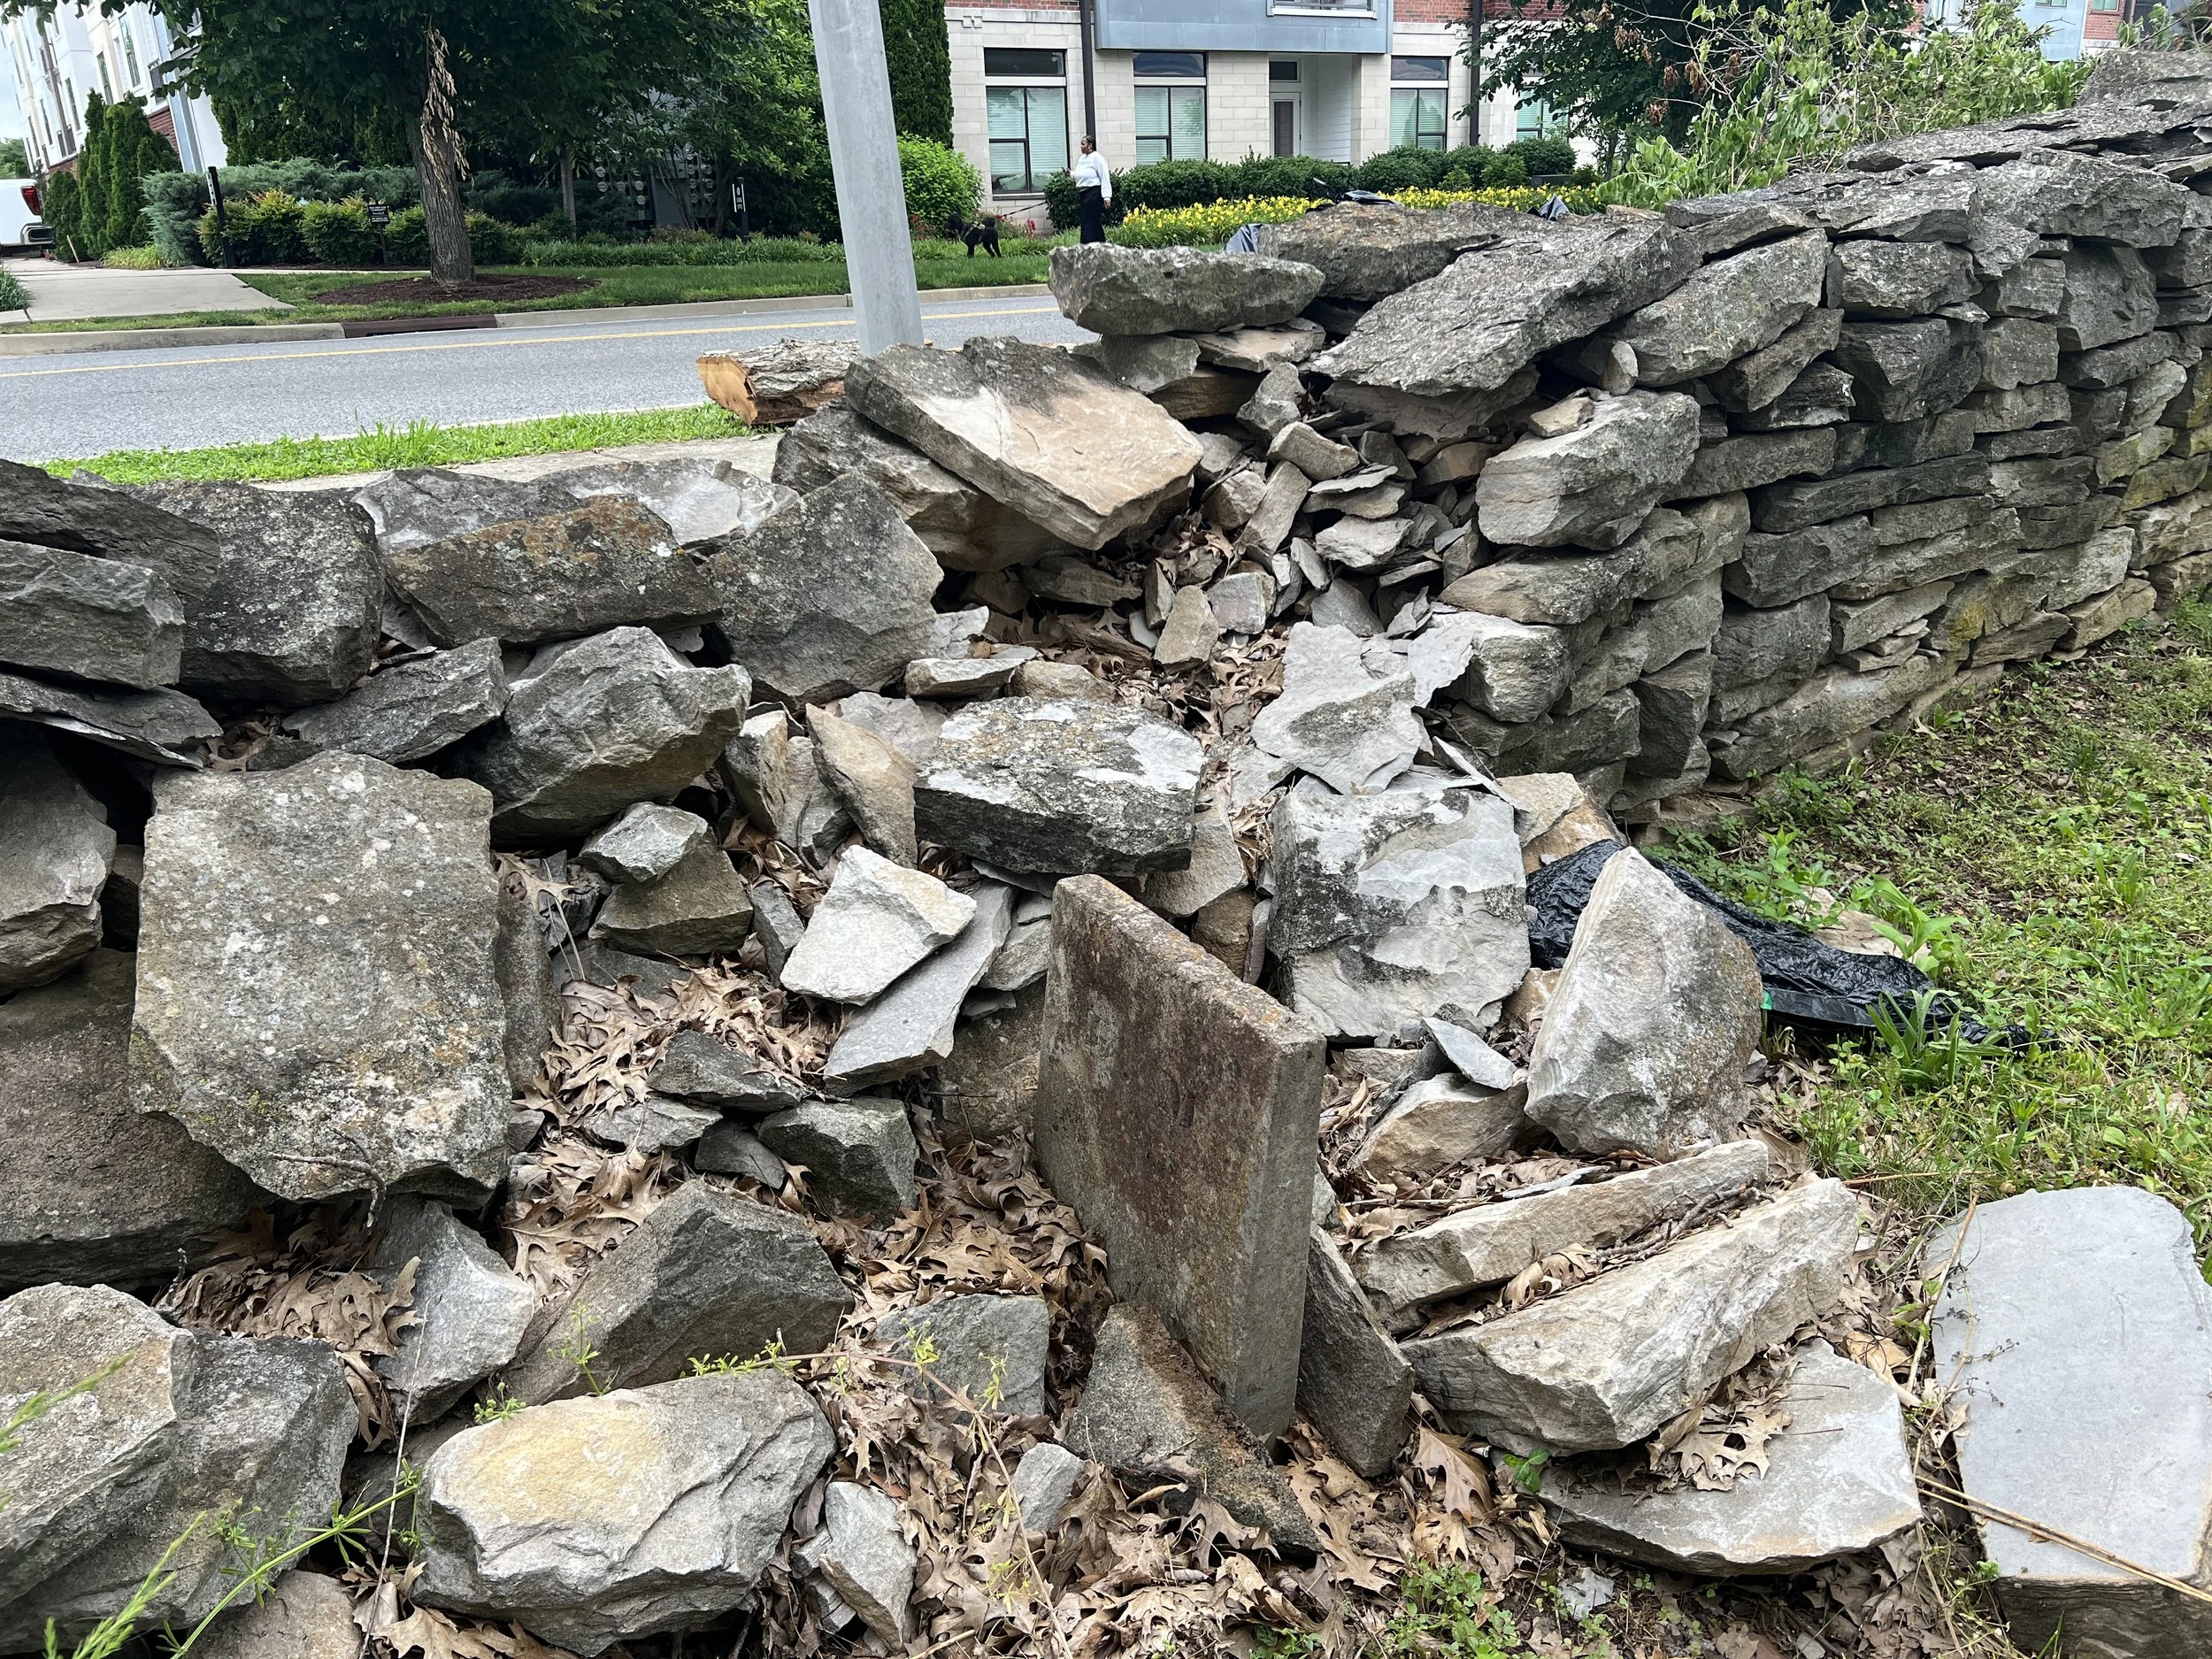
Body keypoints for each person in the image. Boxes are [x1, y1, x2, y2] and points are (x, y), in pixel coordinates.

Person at [1071, 136, 1112, 244]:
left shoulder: (1097, 158)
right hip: (1083, 193)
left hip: (1093, 193)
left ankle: (1097, 243)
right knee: (1085, 221)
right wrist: (1071, 174)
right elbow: (1081, 174)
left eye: (1083, 144)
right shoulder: (1082, 159)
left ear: (1090, 146)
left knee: (1092, 220)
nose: (1081, 146)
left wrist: (1107, 196)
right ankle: (1087, 244)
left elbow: (1104, 176)